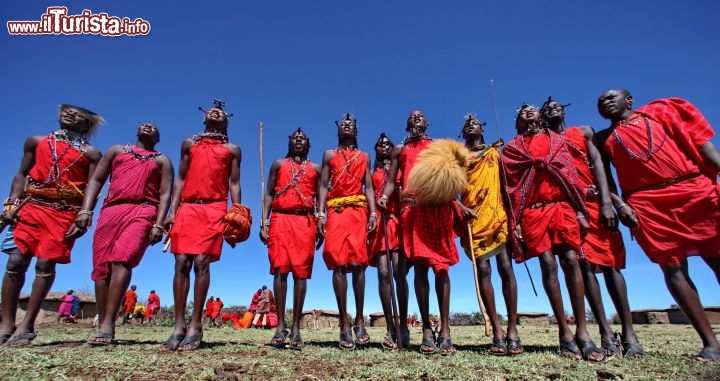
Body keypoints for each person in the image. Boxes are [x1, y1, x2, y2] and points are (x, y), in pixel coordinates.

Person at [596, 89, 720, 362]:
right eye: (600, 101)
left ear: (629, 100)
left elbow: (703, 145)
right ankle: (711, 345)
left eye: (611, 96)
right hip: (646, 203)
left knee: (717, 257)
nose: (604, 101)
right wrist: (619, 205)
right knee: (672, 267)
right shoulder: (603, 138)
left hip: (695, 189)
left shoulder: (664, 112)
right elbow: (605, 180)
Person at [541, 98, 645, 358]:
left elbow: (601, 167)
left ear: (564, 109)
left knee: (611, 266)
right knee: (583, 266)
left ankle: (630, 334)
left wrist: (611, 202)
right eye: (546, 109)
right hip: (570, 209)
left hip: (597, 204)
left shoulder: (584, 132)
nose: (552, 108)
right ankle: (605, 333)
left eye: (556, 105)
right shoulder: (545, 143)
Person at [502, 104, 605, 362]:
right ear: (517, 123)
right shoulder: (512, 150)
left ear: (541, 117)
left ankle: (583, 331)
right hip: (533, 213)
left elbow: (572, 177)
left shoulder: (558, 142)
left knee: (572, 261)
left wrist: (580, 212)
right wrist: (515, 222)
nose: (528, 112)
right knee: (548, 265)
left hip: (562, 207)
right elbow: (511, 189)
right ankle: (565, 332)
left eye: (533, 110)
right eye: (522, 111)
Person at [0, 104, 103, 346]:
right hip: (31, 205)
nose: (68, 114)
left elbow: (92, 187)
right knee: (16, 260)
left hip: (64, 213)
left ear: (87, 124)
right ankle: (6, 322)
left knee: (46, 263)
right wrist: (10, 204)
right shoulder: (36, 142)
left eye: (76, 114)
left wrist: (85, 213)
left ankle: (27, 325)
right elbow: (21, 174)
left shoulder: (91, 154)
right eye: (65, 110)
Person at [76, 123, 173, 345]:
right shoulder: (116, 151)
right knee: (101, 270)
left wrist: (159, 224)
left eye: (154, 127)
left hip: (144, 209)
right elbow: (97, 180)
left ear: (158, 138)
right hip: (111, 210)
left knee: (122, 260)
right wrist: (85, 209)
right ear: (135, 132)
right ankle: (104, 322)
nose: (148, 126)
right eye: (144, 124)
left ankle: (109, 324)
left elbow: (165, 193)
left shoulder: (162, 161)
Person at [377, 110, 463, 355]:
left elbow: (450, 176)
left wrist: (459, 203)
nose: (416, 117)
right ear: (406, 125)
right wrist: (384, 196)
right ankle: (426, 329)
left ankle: (445, 330)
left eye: (420, 116)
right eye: (411, 117)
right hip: (412, 210)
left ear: (427, 123)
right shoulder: (399, 150)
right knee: (421, 268)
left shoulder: (439, 146)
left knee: (442, 269)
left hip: (438, 207)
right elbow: (392, 180)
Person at [163, 100, 242, 352]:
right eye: (211, 110)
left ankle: (196, 325)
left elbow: (234, 183)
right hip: (188, 207)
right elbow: (181, 178)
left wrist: (236, 211)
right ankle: (178, 325)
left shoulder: (232, 149)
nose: (215, 110)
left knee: (201, 262)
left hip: (214, 208)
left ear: (226, 121)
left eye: (220, 111)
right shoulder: (189, 144)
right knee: (181, 262)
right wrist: (172, 211)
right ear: (204, 118)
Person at [458, 115, 523, 356]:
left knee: (506, 268)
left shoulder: (496, 154)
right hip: (473, 217)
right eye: (466, 125)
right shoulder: (458, 159)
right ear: (463, 134)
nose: (471, 125)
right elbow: (449, 186)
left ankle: (513, 330)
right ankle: (496, 330)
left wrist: (515, 218)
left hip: (498, 214)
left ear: (482, 129)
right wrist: (460, 207)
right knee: (483, 271)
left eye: (475, 122)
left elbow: (508, 186)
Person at [317, 113, 377, 350]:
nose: (347, 125)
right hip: (336, 210)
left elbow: (369, 186)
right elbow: (322, 186)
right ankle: (344, 323)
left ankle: (360, 320)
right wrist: (320, 213)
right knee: (338, 263)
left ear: (356, 132)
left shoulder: (364, 156)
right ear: (338, 130)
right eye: (343, 124)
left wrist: (373, 213)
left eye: (351, 124)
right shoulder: (329, 155)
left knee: (359, 264)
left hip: (358, 212)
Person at [260, 128, 322, 350]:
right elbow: (268, 193)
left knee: (301, 273)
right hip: (280, 219)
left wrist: (321, 219)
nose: (298, 139)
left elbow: (322, 195)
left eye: (303, 138)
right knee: (279, 269)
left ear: (309, 144)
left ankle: (296, 329)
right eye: (295, 137)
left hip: (305, 221)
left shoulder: (316, 168)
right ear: (288, 142)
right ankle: (281, 327)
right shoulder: (278, 164)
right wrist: (264, 221)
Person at [368, 133, 410, 350]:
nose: (383, 147)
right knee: (383, 273)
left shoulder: (400, 168)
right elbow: (367, 195)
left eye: (387, 144)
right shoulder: (371, 172)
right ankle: (390, 327)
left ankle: (403, 324)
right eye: (379, 144)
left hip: (397, 222)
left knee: (398, 272)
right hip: (379, 225)